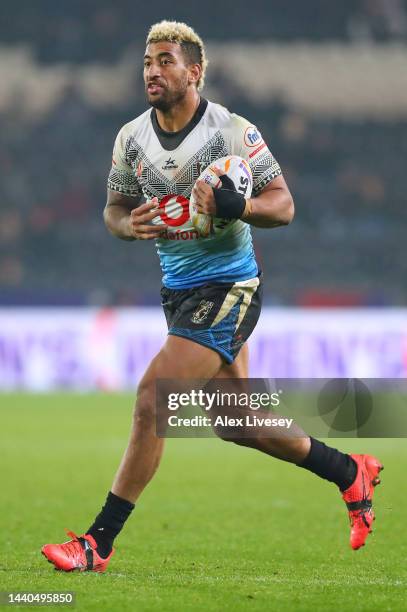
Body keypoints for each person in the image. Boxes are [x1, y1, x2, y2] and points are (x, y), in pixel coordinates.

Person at [41, 20, 383, 573]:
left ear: (194, 71)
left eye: (166, 61)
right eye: (148, 62)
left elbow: (284, 205)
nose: (153, 70)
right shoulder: (131, 138)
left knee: (157, 396)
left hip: (230, 284)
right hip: (177, 289)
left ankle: (96, 543)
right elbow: (113, 211)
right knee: (234, 419)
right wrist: (133, 226)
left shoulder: (231, 132)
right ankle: (350, 472)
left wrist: (235, 207)